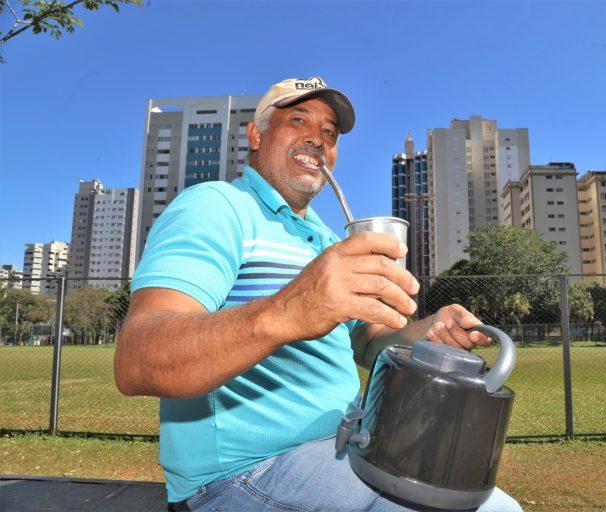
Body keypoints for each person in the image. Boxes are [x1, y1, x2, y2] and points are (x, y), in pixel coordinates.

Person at [114, 77, 523, 512]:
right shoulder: (215, 206)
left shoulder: (329, 240)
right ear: (256, 135)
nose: (317, 138)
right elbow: (137, 360)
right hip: (242, 474)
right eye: (297, 120)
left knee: (487, 503)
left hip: (346, 447)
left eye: (330, 132)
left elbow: (368, 343)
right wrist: (289, 309)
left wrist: (428, 331)